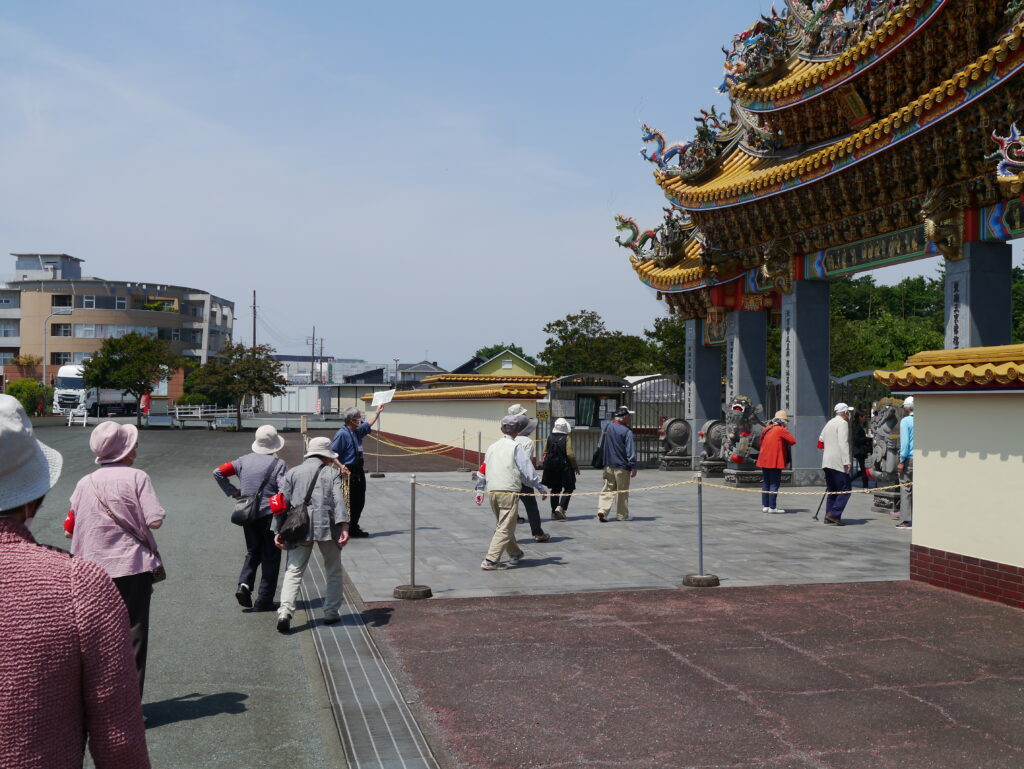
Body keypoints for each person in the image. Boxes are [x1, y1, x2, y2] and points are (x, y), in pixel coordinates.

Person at [0, 395, 151, 769]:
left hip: (94, 556)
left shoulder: (86, 483)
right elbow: (118, 742)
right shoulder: (77, 585)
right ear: (32, 497)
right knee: (134, 632)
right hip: (126, 566)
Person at [69, 421, 166, 695]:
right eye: (133, 445)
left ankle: (97, 700)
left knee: (95, 634)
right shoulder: (137, 477)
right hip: (132, 565)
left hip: (90, 569)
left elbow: (72, 524)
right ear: (124, 450)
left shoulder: (84, 482)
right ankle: (129, 703)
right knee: (134, 632)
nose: (136, 449)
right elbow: (155, 520)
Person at [272, 437, 348, 633]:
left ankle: (285, 612)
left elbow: (282, 503)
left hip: (299, 526)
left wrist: (278, 529)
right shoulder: (332, 473)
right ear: (326, 456)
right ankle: (331, 612)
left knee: (293, 571)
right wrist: (345, 526)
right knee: (333, 570)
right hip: (327, 526)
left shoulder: (293, 472)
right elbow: (339, 501)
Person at [213, 424, 288, 611]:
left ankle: (244, 585)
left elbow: (218, 472)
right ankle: (264, 600)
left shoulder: (242, 461)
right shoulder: (278, 464)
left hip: (248, 514)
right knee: (271, 556)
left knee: (253, 551)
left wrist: (234, 491)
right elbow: (283, 491)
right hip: (270, 515)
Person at [475, 414, 546, 570]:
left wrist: (479, 491)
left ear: (501, 429)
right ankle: (490, 560)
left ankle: (515, 553)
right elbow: (527, 470)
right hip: (508, 491)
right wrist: (540, 487)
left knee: (503, 524)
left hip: (492, 491)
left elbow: (482, 471)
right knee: (505, 527)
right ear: (517, 430)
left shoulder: (492, 447)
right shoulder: (515, 447)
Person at [329, 404, 384, 538]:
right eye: (358, 418)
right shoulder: (342, 434)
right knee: (348, 501)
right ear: (350, 419)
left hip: (358, 469)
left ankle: (353, 526)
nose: (360, 420)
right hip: (348, 470)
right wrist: (341, 466)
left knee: (359, 500)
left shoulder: (356, 431)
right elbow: (332, 453)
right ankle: (347, 528)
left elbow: (368, 424)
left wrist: (377, 413)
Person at [596, 406, 637, 522]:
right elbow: (630, 451)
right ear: (624, 417)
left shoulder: (607, 427)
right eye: (629, 416)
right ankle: (622, 515)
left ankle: (602, 510)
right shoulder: (627, 431)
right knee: (622, 491)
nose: (630, 418)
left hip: (608, 464)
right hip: (622, 466)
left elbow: (600, 444)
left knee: (607, 488)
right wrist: (633, 465)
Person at [513, 413, 549, 542]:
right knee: (531, 507)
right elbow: (526, 465)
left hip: (509, 480)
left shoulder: (509, 439)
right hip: (523, 481)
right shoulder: (527, 442)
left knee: (508, 509)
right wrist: (539, 487)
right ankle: (538, 533)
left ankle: (502, 534)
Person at [756, 410, 796, 514]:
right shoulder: (781, 429)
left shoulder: (767, 428)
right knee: (774, 483)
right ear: (783, 421)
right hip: (775, 460)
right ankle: (772, 507)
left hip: (764, 459)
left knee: (766, 482)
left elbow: (761, 442)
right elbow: (792, 441)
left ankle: (766, 506)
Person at [820, 402, 853, 526]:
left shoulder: (829, 422)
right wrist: (847, 461)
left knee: (832, 490)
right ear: (845, 412)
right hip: (837, 461)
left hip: (827, 460)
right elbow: (843, 443)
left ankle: (828, 515)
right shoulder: (842, 423)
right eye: (848, 412)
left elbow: (821, 439)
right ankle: (834, 514)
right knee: (845, 489)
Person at [541, 417, 580, 520]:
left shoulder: (550, 437)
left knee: (555, 489)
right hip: (565, 468)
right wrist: (575, 466)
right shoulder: (566, 437)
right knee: (569, 487)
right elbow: (570, 454)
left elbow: (544, 452)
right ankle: (561, 507)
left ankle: (554, 512)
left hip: (552, 468)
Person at [896, 396, 914, 529]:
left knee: (905, 488)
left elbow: (905, 443)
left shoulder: (905, 421)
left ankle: (906, 520)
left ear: (907, 408)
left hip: (909, 458)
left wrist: (901, 460)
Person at [849, 408, 872, 489]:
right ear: (860, 417)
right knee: (863, 469)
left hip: (861, 450)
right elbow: (857, 439)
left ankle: (849, 481)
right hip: (859, 451)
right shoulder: (857, 426)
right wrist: (868, 438)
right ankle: (865, 486)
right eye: (864, 417)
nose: (865, 419)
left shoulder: (857, 426)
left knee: (863, 469)